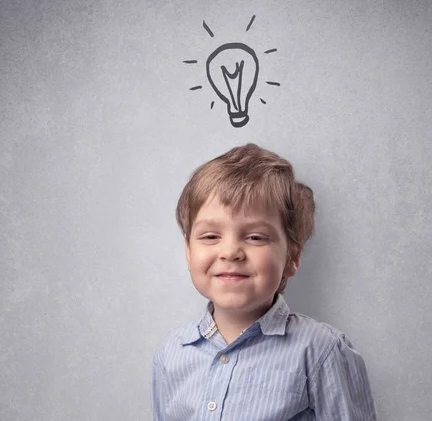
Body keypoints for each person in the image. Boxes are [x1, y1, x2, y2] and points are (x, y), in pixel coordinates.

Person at [151, 143, 377, 420]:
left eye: (255, 237)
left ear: (292, 256)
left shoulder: (321, 350)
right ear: (188, 251)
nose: (230, 252)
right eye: (210, 236)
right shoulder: (172, 352)